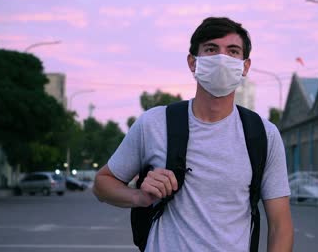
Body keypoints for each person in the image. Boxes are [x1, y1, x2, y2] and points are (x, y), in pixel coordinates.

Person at [93, 17, 293, 252]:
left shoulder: (263, 135)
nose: (221, 59)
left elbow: (280, 224)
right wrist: (139, 198)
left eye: (232, 51)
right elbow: (101, 183)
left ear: (245, 67)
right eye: (211, 49)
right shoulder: (155, 123)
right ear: (192, 62)